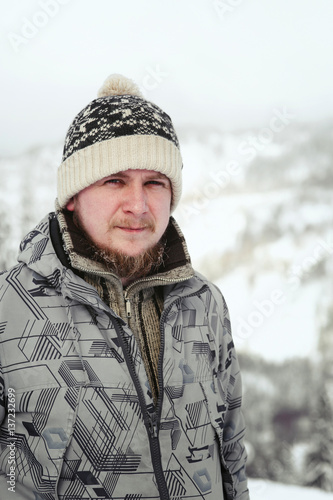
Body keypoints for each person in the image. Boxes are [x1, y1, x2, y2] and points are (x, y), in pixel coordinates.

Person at [0, 74, 249, 500]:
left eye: (155, 182)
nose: (138, 204)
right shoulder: (10, 307)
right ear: (74, 195)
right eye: (115, 180)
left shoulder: (205, 305)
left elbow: (231, 455)